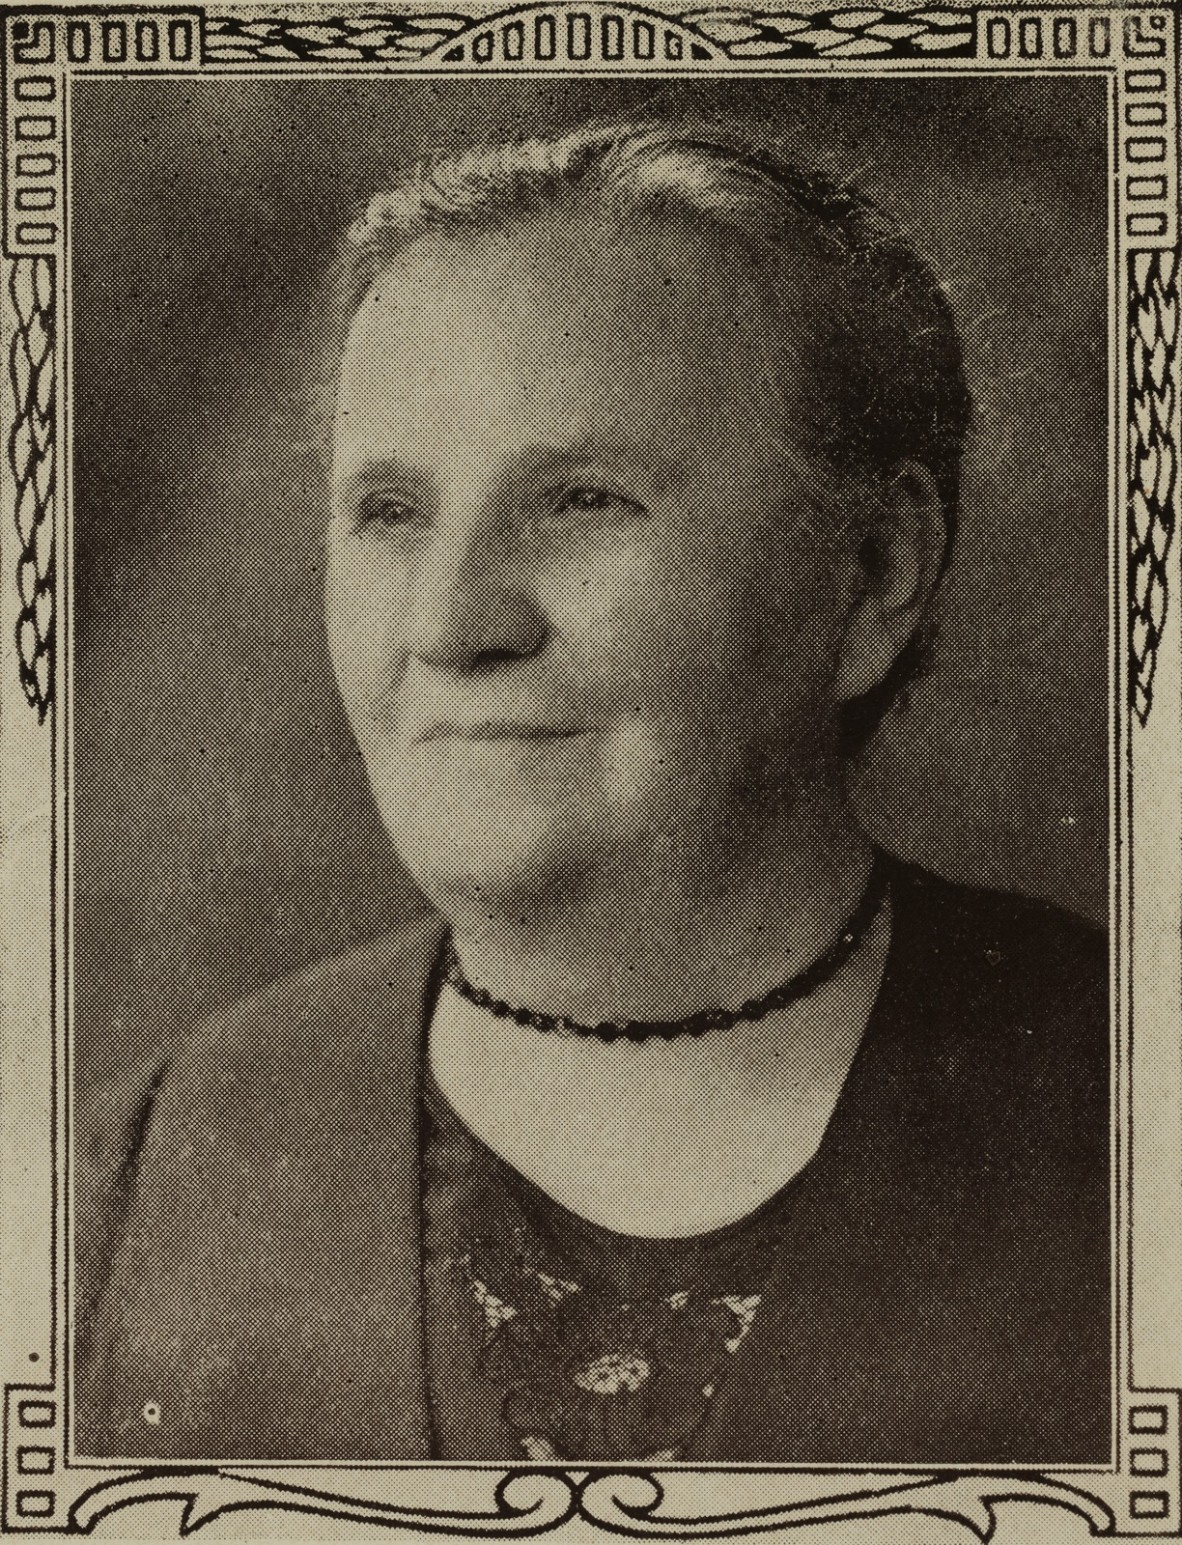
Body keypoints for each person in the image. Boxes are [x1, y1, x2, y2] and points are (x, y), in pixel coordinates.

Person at [77, 117, 1109, 1465]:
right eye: (389, 511)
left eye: (580, 499)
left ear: (869, 574)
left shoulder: (1128, 1106)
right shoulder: (150, 1169)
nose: (452, 623)